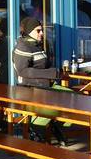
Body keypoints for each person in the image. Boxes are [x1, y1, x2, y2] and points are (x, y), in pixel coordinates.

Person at [13, 16, 67, 144]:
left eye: (42, 30)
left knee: (73, 98)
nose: (42, 33)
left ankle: (55, 125)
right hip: (30, 88)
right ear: (28, 32)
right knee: (56, 103)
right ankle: (36, 129)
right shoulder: (23, 47)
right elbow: (22, 71)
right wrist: (51, 73)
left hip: (44, 85)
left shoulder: (36, 45)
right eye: (38, 30)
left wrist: (55, 72)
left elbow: (42, 65)